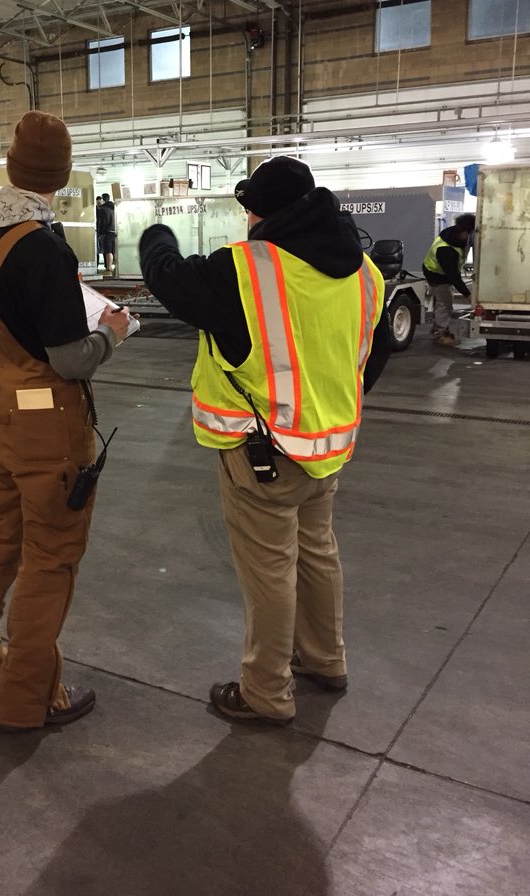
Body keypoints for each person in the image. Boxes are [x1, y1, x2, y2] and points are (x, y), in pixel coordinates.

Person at [139, 156, 390, 726]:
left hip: (263, 455)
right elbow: (367, 364)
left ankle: (265, 692)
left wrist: (157, 233)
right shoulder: (366, 274)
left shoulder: (247, 269)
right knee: (318, 553)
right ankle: (326, 660)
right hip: (326, 449)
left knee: (270, 571)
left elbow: (169, 280)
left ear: (262, 213)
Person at [0, 110, 131, 731]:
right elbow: (69, 357)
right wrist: (110, 333)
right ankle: (29, 699)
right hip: (49, 428)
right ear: (63, 174)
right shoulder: (45, 248)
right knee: (50, 559)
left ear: (10, 163)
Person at [422, 213, 475, 347]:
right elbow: (454, 276)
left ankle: (438, 329)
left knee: (441, 303)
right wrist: (468, 295)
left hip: (440, 273)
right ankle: (440, 335)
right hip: (436, 275)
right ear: (465, 232)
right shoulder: (446, 250)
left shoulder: (453, 235)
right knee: (445, 304)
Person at [97, 192, 116, 277]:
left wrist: (100, 232)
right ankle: (113, 267)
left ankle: (108, 268)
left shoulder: (103, 209)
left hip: (107, 231)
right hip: (114, 231)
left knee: (108, 251)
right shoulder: (114, 207)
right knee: (113, 251)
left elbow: (102, 222)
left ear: (102, 199)